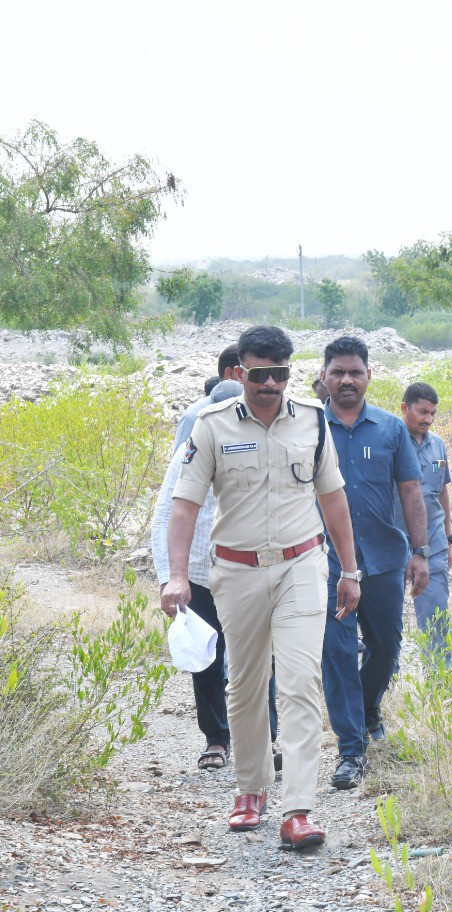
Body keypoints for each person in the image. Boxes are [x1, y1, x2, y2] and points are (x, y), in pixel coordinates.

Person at [161, 325, 361, 852]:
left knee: (298, 682)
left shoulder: (312, 424)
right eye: (259, 373)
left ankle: (298, 810)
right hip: (237, 572)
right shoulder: (211, 426)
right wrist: (176, 574)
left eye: (279, 373)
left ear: (290, 373)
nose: (270, 383)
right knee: (246, 686)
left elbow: (334, 499)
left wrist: (350, 570)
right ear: (240, 372)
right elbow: (186, 503)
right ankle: (251, 789)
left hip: (301, 566)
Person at [319, 337, 430, 790]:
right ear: (324, 375)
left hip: (383, 560)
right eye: (338, 371)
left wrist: (421, 552)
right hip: (324, 563)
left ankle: (367, 709)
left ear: (369, 376)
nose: (347, 379)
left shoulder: (390, 428)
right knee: (338, 653)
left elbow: (410, 491)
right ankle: (351, 750)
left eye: (355, 372)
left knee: (386, 650)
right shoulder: (308, 428)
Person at [152, 379, 279, 772]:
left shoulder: (263, 447)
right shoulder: (189, 452)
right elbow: (164, 518)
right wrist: (169, 577)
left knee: (259, 659)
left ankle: (265, 739)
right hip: (198, 574)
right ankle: (217, 740)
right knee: (207, 658)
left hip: (251, 571)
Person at [400, 382, 452, 669]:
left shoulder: (438, 444)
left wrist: (448, 537)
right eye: (422, 412)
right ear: (404, 408)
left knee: (436, 615)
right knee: (388, 620)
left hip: (433, 542)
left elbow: (442, 492)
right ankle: (385, 685)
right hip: (395, 543)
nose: (428, 419)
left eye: (433, 413)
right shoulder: (391, 440)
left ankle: (440, 683)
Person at [173, 344, 240, 451]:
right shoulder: (195, 416)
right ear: (230, 374)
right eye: (252, 373)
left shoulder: (263, 413)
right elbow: (181, 465)